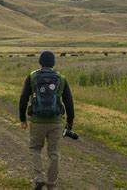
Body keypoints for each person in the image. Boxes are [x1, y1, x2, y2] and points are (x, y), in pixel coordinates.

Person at [19, 50, 75, 190]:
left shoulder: (32, 77)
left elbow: (23, 98)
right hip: (56, 122)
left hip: (37, 121)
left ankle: (39, 179)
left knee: (35, 149)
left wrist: (22, 118)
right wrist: (70, 121)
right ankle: (52, 185)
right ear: (54, 63)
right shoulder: (61, 78)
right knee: (54, 154)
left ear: (40, 62)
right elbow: (69, 102)